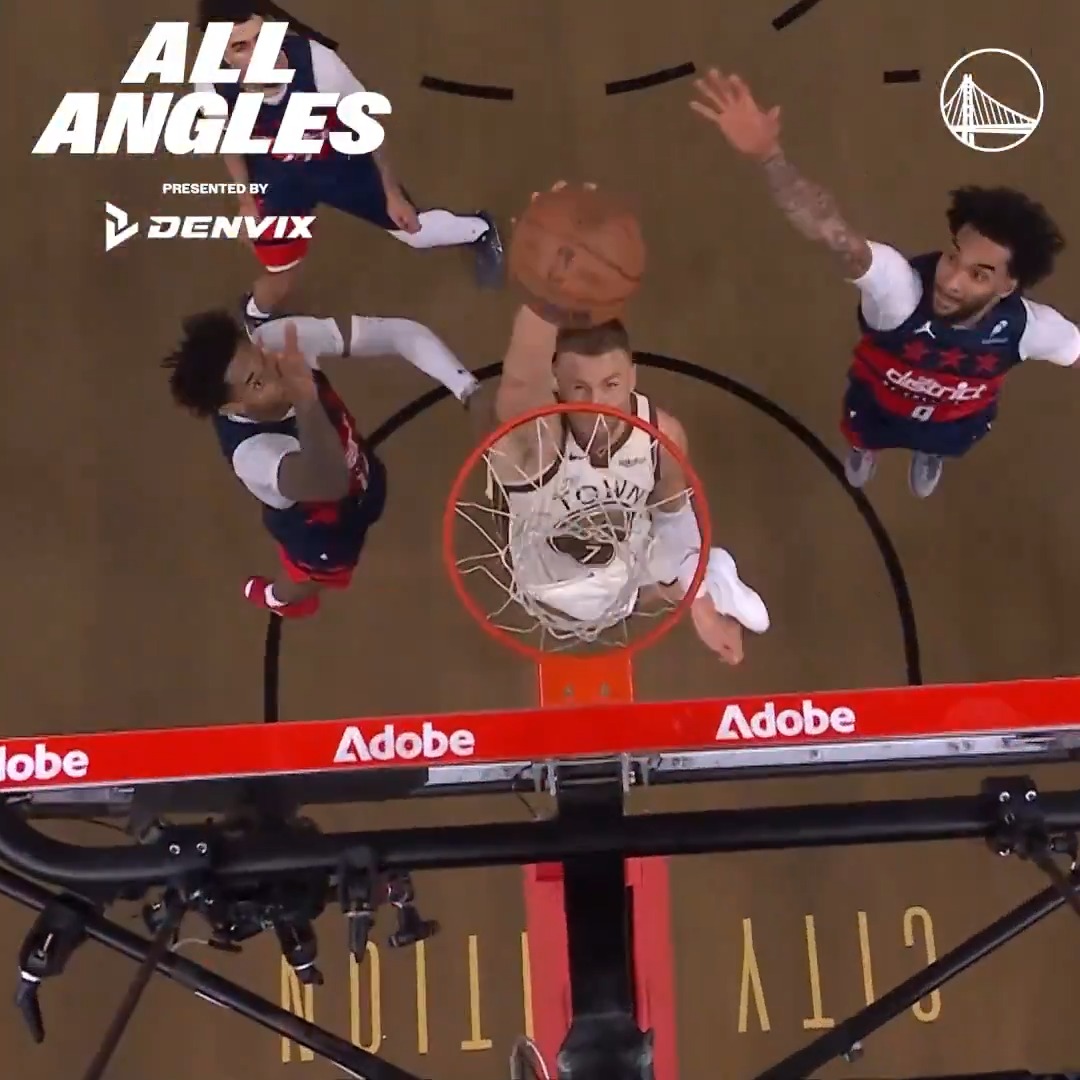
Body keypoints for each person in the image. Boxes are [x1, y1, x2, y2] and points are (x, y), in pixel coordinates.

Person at [690, 69, 1080, 498]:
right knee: (862, 431)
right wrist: (770, 156)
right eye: (954, 256)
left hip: (953, 422)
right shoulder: (900, 294)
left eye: (978, 275)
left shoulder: (1030, 329)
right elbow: (831, 230)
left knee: (941, 441)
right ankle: (865, 448)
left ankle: (929, 452)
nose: (951, 280)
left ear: (1008, 286)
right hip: (877, 405)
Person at [489, 205, 770, 663]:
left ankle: (704, 575)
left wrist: (699, 605)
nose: (597, 402)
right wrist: (549, 295)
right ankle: (695, 575)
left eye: (611, 384)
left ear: (634, 377)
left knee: (633, 586)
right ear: (556, 380)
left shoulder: (662, 436)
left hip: (617, 558)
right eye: (580, 387)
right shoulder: (534, 442)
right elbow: (521, 381)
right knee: (606, 599)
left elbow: (673, 516)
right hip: (551, 573)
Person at [195, 0, 504, 334]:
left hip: (340, 165)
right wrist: (245, 199)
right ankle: (256, 311)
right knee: (281, 270)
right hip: (277, 178)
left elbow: (368, 126)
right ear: (221, 54)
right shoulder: (210, 87)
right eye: (241, 47)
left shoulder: (319, 64)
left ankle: (479, 229)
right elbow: (228, 140)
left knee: (417, 233)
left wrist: (391, 192)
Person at [163, 309, 480, 618]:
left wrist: (469, 390)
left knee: (371, 494)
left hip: (362, 476)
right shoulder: (253, 455)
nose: (276, 369)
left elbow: (399, 334)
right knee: (309, 577)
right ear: (232, 407)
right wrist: (306, 400)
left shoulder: (280, 340)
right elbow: (330, 482)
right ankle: (278, 598)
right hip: (320, 534)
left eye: (261, 354)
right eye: (257, 382)